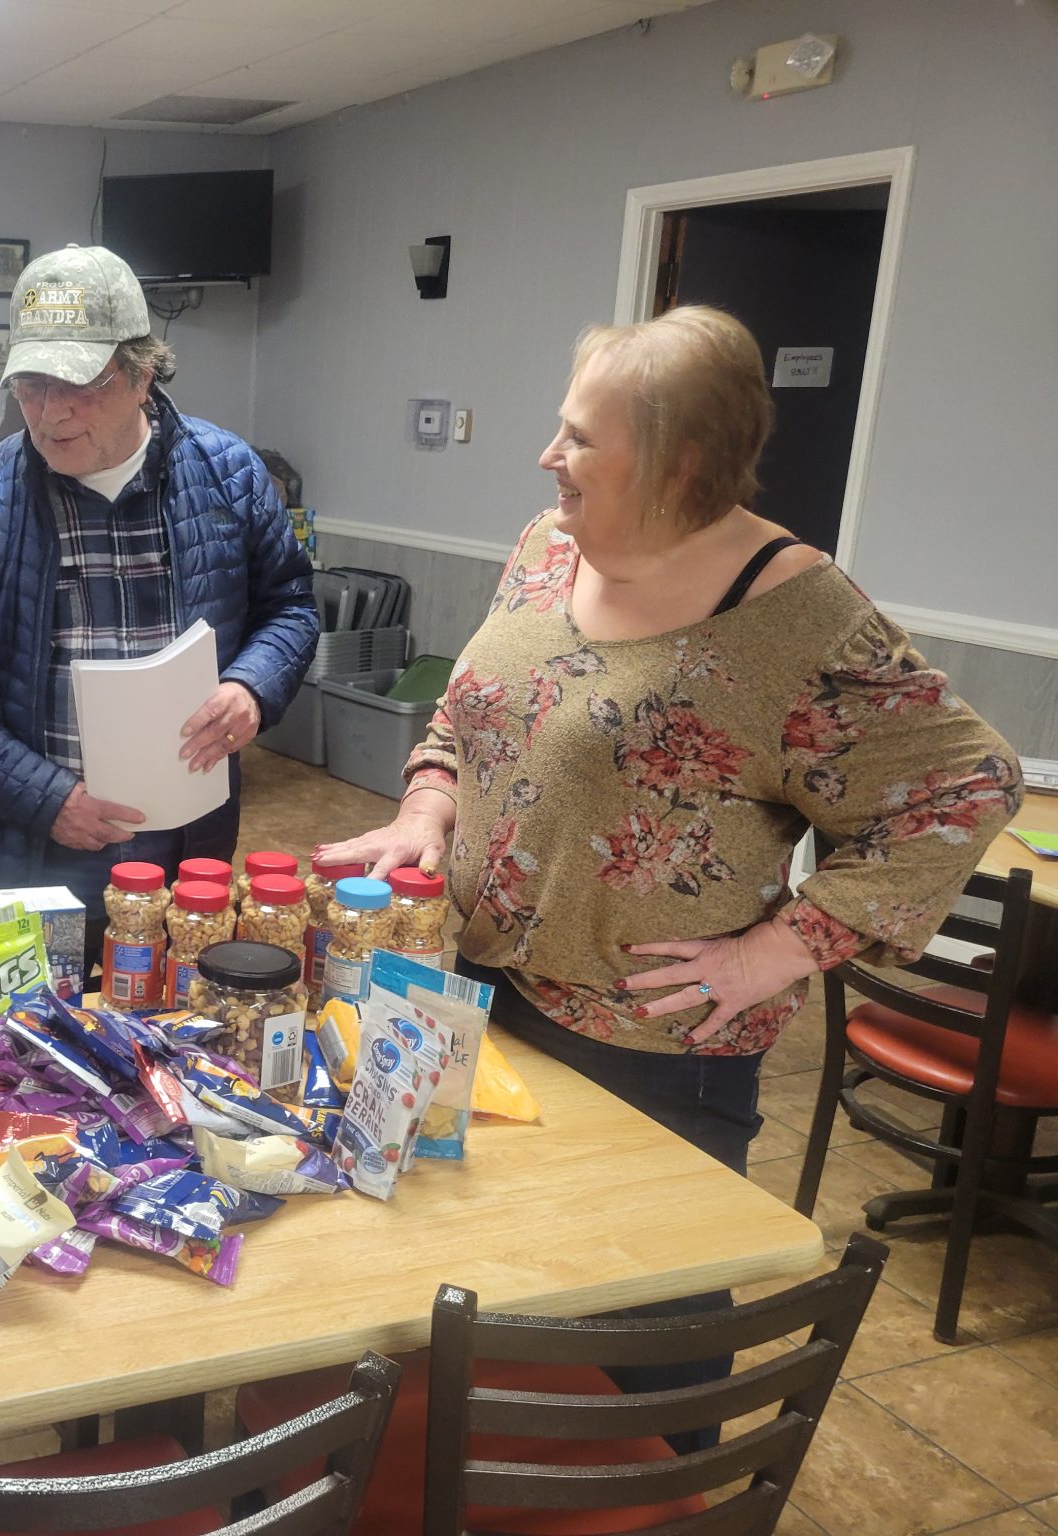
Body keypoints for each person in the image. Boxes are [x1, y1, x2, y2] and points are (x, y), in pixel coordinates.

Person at [316, 304, 1021, 1440]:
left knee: (643, 1336)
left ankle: (668, 1499)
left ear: (678, 464)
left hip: (649, 1040)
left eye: (578, 437)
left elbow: (966, 786)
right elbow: (470, 709)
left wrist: (781, 949)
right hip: (475, 987)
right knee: (495, 1282)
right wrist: (428, 803)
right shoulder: (549, 547)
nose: (548, 455)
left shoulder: (797, 618)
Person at [0, 244, 319, 918]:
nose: (50, 412)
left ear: (142, 375)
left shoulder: (227, 476)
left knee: (170, 983)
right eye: (31, 385)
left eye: (78, 384)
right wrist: (45, 797)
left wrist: (252, 687)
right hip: (28, 846)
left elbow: (289, 606)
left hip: (185, 844)